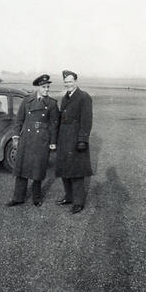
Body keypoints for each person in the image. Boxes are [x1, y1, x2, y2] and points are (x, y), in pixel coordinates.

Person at [6, 74, 59, 207]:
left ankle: (36, 198)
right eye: (44, 87)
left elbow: (54, 124)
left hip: (42, 140)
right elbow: (19, 120)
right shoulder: (27, 101)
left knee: (38, 169)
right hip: (27, 139)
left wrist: (53, 142)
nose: (47, 89)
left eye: (48, 87)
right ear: (38, 87)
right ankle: (18, 197)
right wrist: (16, 136)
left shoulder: (52, 104)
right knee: (21, 169)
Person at [56, 70, 93, 214]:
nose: (68, 84)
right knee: (65, 169)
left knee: (77, 171)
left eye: (70, 81)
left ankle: (79, 202)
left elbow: (87, 120)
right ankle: (69, 197)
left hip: (76, 139)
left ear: (76, 82)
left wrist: (82, 140)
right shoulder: (65, 97)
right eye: (66, 82)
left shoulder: (84, 97)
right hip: (64, 138)